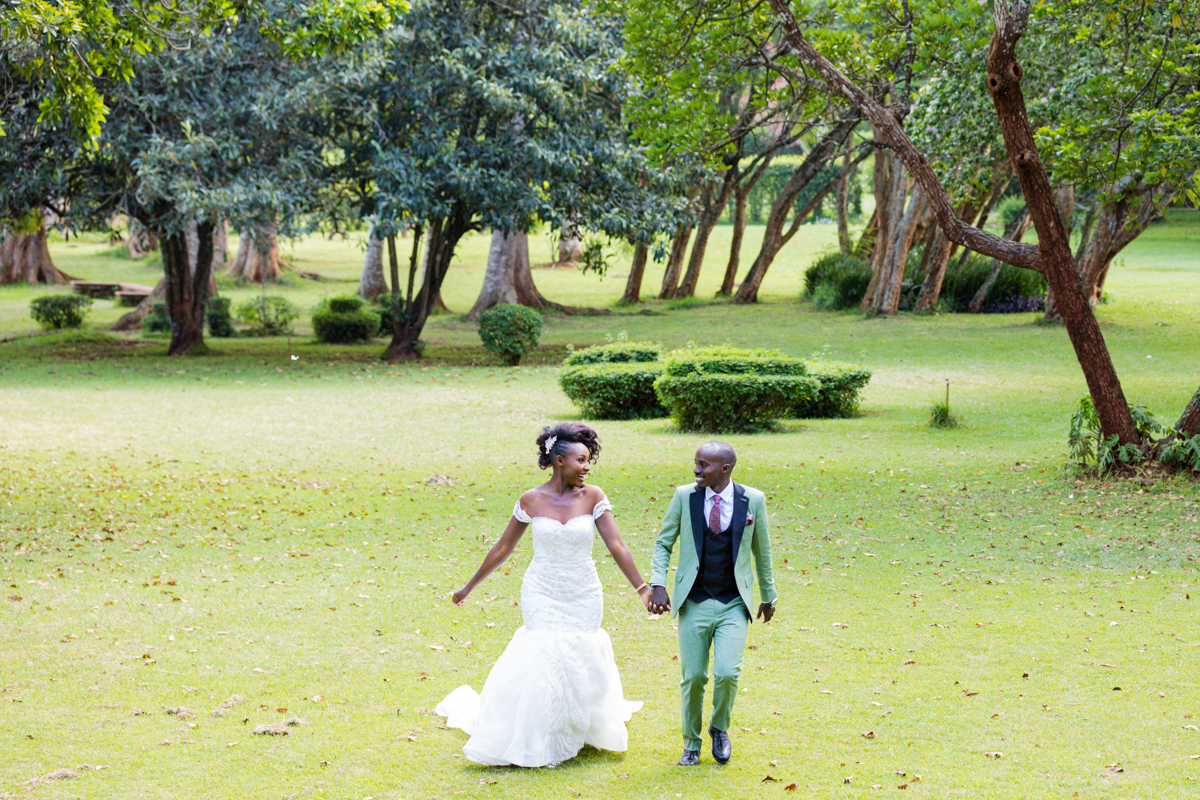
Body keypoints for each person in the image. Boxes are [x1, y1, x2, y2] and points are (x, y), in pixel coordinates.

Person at [437, 422, 654, 767]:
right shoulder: (531, 500)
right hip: (542, 590)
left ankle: (578, 727)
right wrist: (468, 587)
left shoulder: (594, 497)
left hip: (583, 591)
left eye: (588, 461)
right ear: (558, 461)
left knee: (579, 654)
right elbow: (503, 547)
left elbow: (617, 546)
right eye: (580, 460)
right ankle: (542, 735)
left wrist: (642, 589)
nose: (586, 467)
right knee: (544, 654)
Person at [647, 441, 777, 766]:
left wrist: (768, 595)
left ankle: (719, 728)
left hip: (734, 601)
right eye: (696, 463)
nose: (696, 470)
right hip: (694, 600)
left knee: (728, 673)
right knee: (693, 677)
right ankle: (691, 742)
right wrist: (658, 584)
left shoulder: (754, 501)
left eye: (703, 465)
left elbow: (763, 551)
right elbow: (663, 543)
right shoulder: (684, 496)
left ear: (725, 468)